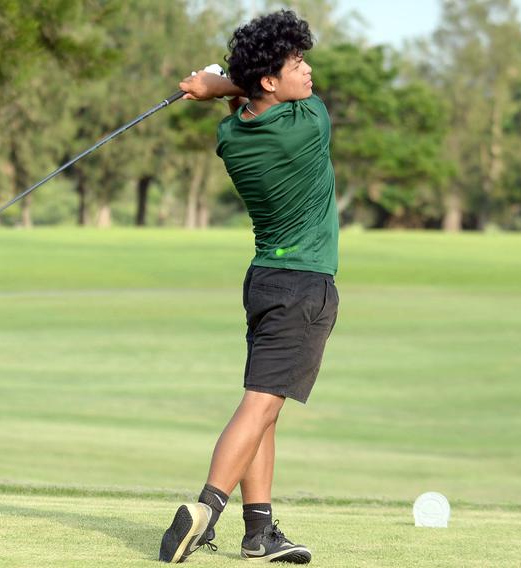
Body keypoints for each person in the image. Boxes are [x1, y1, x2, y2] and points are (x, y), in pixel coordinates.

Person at [158, 10, 339, 564]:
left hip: (262, 281)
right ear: (268, 80)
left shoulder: (231, 136)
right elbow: (246, 88)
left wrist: (216, 87)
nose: (307, 71)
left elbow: (243, 97)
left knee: (266, 407)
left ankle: (258, 531)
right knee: (260, 405)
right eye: (296, 63)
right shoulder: (310, 123)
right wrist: (218, 85)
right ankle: (207, 507)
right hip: (304, 284)